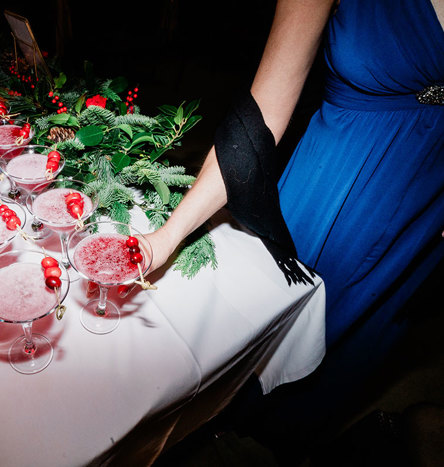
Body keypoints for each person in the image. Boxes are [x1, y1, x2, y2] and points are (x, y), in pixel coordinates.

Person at [146, 0, 444, 460]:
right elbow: (258, 118)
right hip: (333, 187)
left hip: (427, 209)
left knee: (357, 344)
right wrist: (169, 235)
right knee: (261, 329)